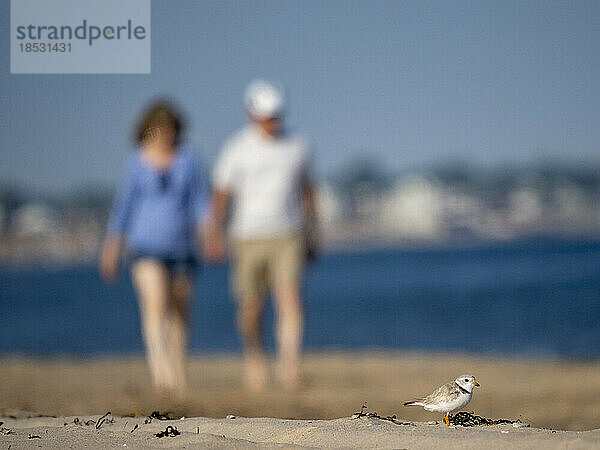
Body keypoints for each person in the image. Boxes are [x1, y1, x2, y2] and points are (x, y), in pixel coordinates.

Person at [205, 80, 318, 391]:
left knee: (290, 300)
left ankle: (289, 367)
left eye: (277, 115)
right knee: (251, 307)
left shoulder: (298, 146)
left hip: (288, 233)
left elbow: (308, 192)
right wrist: (213, 233)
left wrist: (314, 233)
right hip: (247, 236)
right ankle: (254, 360)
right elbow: (221, 194)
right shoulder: (236, 148)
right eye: (267, 116)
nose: (272, 122)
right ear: (251, 115)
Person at [100, 100, 208, 393]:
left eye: (169, 130)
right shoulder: (136, 163)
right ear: (146, 131)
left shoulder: (188, 160)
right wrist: (111, 249)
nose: (164, 136)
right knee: (156, 303)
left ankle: (178, 373)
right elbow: (123, 208)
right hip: (144, 247)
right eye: (157, 130)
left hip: (183, 247)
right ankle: (160, 374)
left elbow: (200, 203)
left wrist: (211, 234)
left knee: (180, 310)